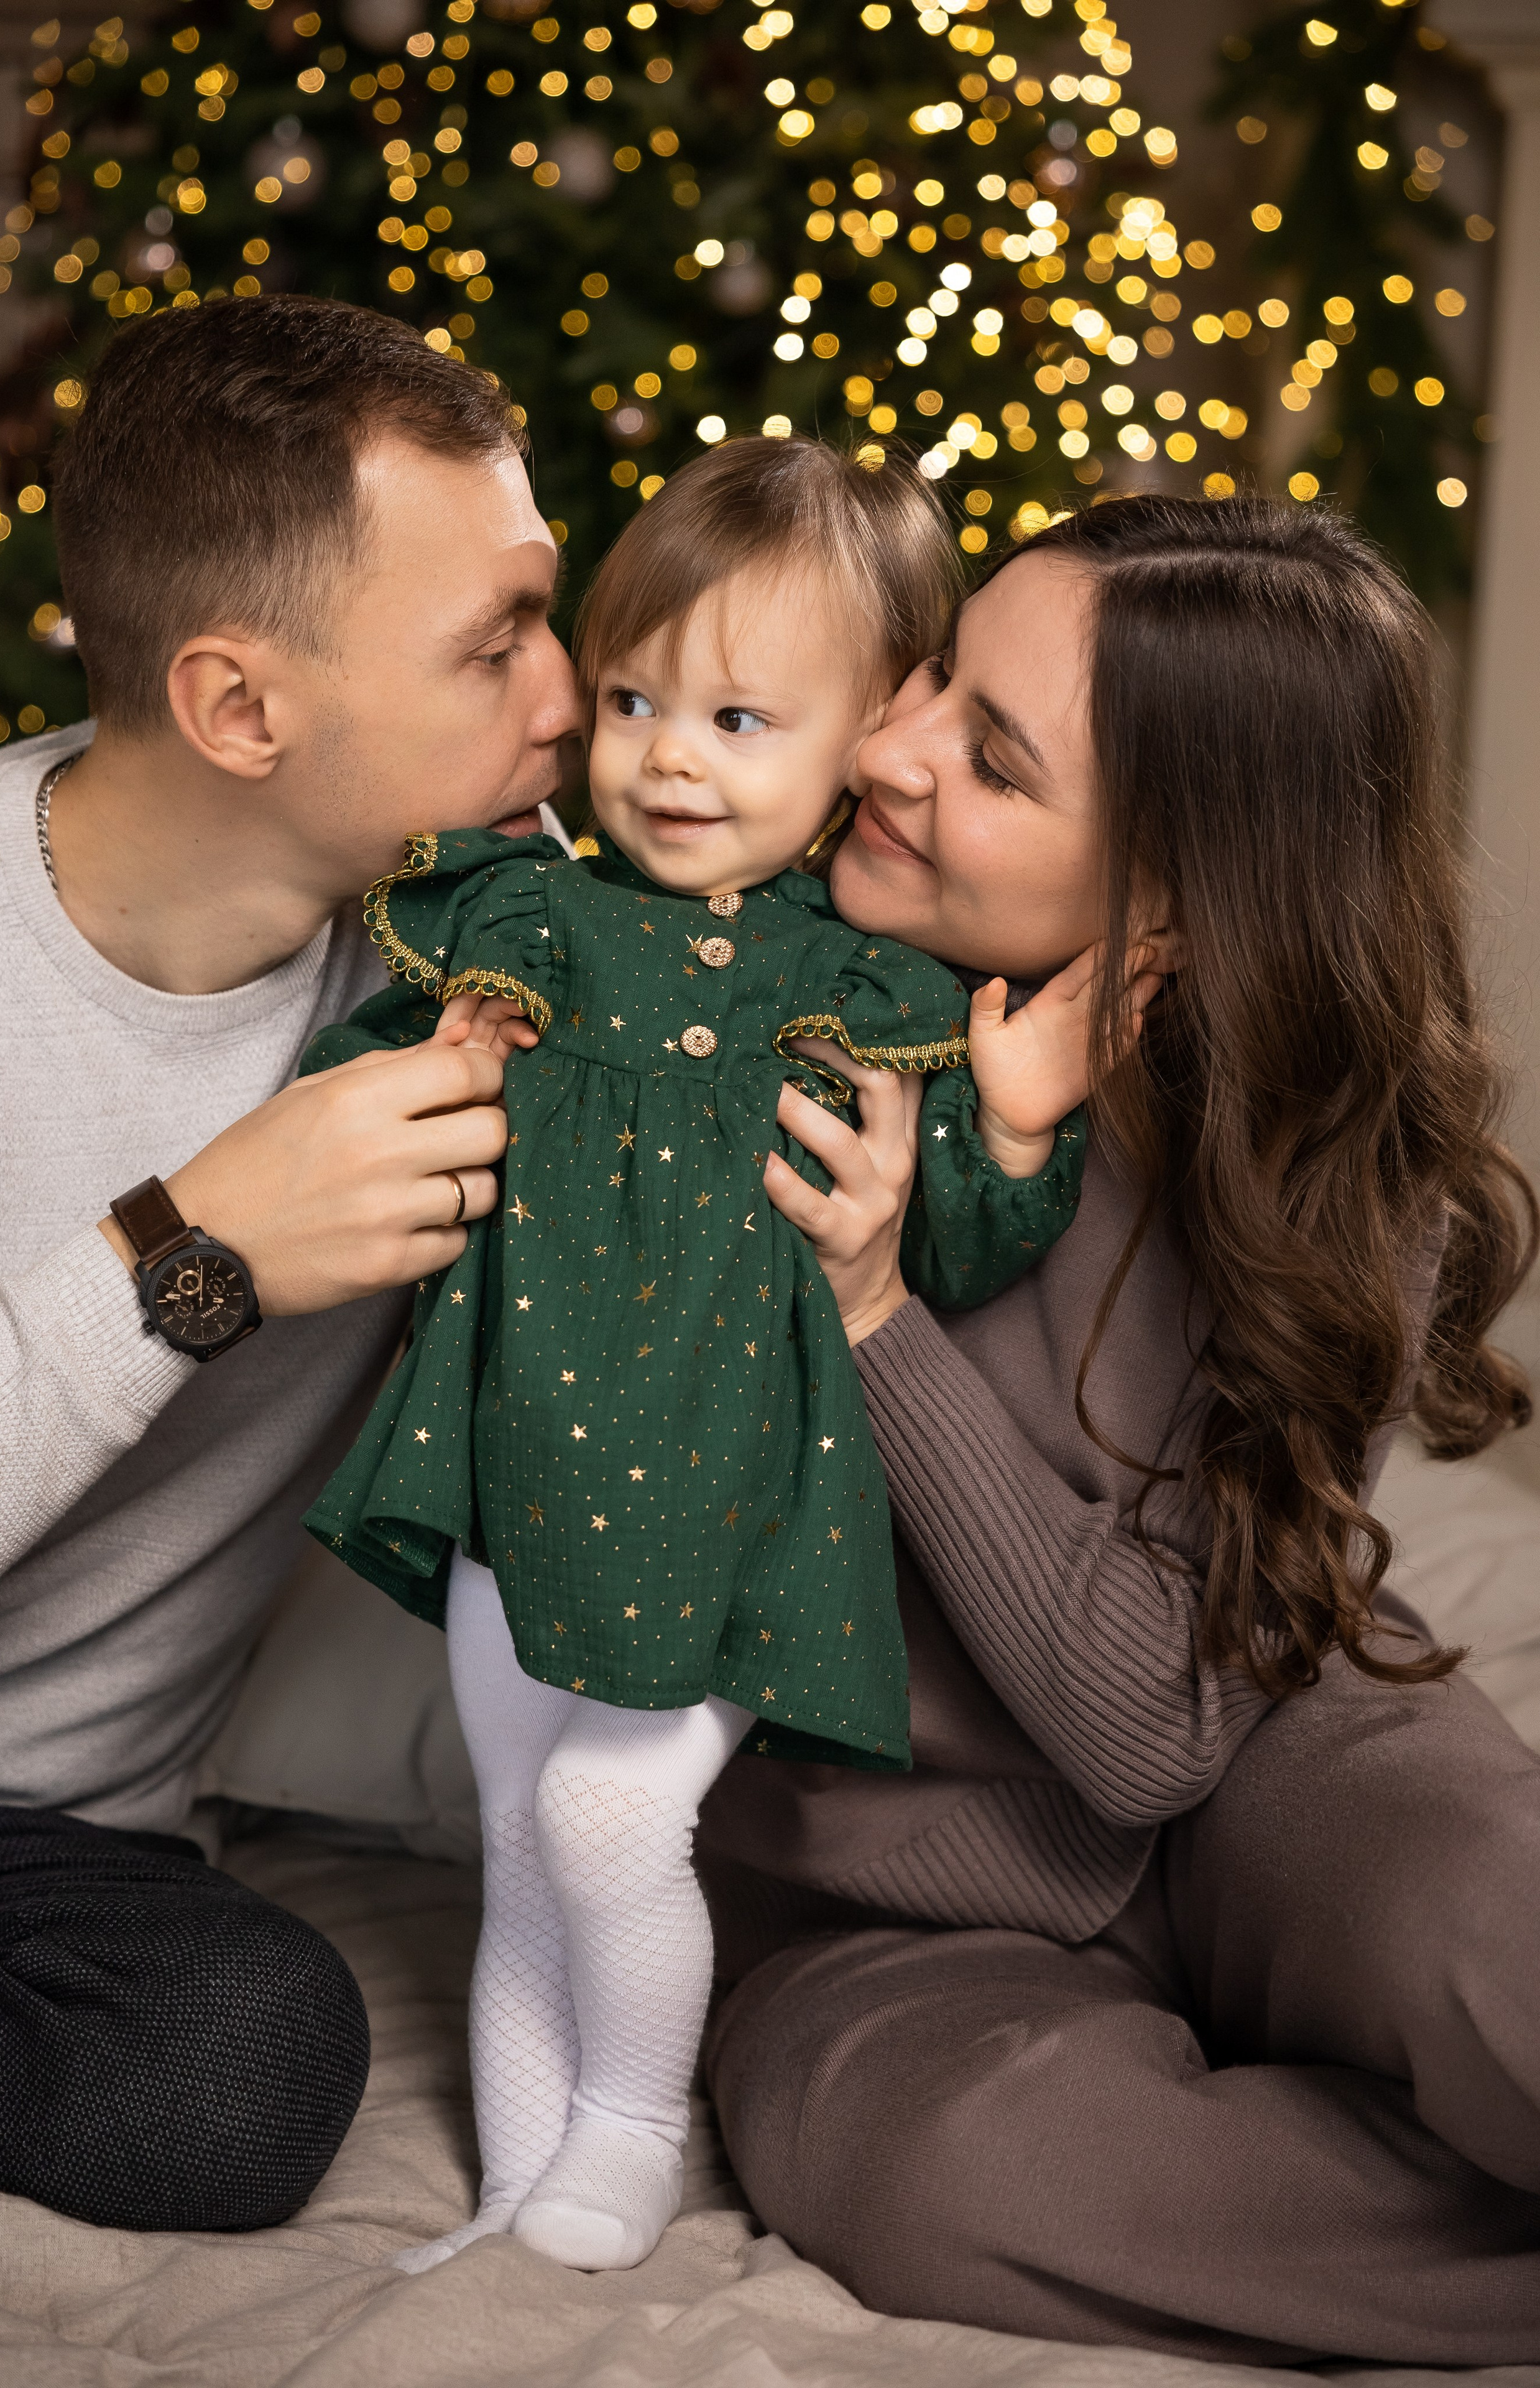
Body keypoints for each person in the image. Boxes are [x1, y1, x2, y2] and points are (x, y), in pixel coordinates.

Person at [697, 494, 1540, 2363]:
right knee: (955, 2181)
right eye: (930, 678)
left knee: (1506, 1925)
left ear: (1173, 897)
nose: (888, 745)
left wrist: (874, 1323)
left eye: (989, 759)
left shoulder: (1340, 1170)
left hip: (1279, 1755)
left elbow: (1158, 1724)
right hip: (891, 1889)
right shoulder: (753, 1022)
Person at [303, 436, 1105, 2274]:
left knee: (606, 1809)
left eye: (744, 719)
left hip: (742, 1487)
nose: (668, 756)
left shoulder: (864, 992)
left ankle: (630, 2129)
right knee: (512, 1820)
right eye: (641, 697)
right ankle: (518, 2191)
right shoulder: (526, 925)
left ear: (865, 745)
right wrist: (411, 1079)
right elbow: (345, 1120)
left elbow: (950, 1253)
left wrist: (1017, 1133)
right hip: (526, 1464)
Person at [0, 294, 578, 2232]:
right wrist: (188, 1251)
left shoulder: (476, 959)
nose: (568, 699)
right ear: (239, 711)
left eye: (548, 613)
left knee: (247, 2057)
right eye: (495, 649)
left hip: (36, 1858)